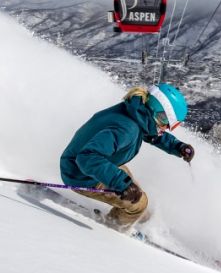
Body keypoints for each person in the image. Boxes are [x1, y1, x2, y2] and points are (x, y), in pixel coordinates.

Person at [59, 83, 194, 228]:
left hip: (90, 162)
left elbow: (151, 133)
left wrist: (177, 146)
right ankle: (114, 226)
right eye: (168, 124)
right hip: (80, 175)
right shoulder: (127, 130)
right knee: (139, 203)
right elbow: (87, 157)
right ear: (158, 114)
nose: (167, 129)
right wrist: (121, 184)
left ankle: (136, 216)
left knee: (135, 192)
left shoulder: (135, 111)